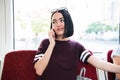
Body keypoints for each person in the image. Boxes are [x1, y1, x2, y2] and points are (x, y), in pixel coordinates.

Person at [33, 7, 120, 80]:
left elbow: (98, 63)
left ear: (68, 22)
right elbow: (39, 70)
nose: (58, 24)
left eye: (61, 20)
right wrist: (51, 44)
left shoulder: (76, 46)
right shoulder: (45, 43)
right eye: (54, 22)